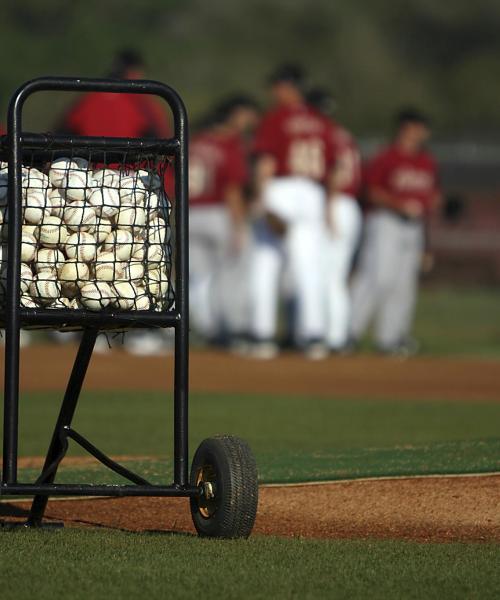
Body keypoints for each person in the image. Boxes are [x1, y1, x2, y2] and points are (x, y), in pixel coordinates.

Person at [249, 64, 335, 359]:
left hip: (282, 189)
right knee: (309, 267)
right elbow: (334, 167)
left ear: (289, 87)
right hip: (313, 192)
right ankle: (313, 336)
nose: (275, 91)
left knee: (266, 263)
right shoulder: (321, 122)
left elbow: (266, 162)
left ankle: (262, 336)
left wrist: (261, 198)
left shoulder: (276, 118)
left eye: (278, 85)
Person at [349, 108, 441, 355]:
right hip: (386, 221)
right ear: (405, 127)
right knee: (378, 277)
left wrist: (428, 243)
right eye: (418, 126)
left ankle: (391, 337)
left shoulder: (426, 161)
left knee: (404, 284)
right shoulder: (386, 157)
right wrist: (399, 205)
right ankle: (348, 332)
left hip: (414, 227)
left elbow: (433, 196)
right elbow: (371, 191)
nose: (422, 132)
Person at [189, 95, 259, 343]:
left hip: (190, 214)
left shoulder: (193, 142)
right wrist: (239, 226)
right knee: (230, 272)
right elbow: (232, 190)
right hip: (218, 213)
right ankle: (229, 326)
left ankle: (201, 327)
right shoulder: (228, 145)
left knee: (198, 277)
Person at [306, 87, 363, 353]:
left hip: (335, 202)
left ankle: (334, 337)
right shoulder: (344, 133)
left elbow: (336, 172)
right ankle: (338, 335)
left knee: (326, 276)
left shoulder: (322, 133)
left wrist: (328, 207)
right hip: (349, 205)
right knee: (335, 276)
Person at [59, 49, 170, 138]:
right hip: (130, 165)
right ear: (133, 73)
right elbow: (161, 134)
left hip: (88, 164)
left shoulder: (87, 100)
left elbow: (63, 130)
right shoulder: (141, 104)